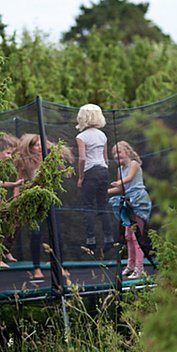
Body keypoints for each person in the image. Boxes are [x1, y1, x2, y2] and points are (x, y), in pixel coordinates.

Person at [13, 133, 73, 281]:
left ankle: (60, 266)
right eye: (36, 145)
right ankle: (37, 268)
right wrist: (15, 200)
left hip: (50, 199)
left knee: (56, 234)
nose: (39, 147)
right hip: (35, 201)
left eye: (41, 144)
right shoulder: (26, 162)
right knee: (35, 234)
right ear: (30, 147)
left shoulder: (49, 158)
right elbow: (19, 182)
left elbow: (60, 169)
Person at [108, 141, 152, 278]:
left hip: (139, 201)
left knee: (136, 235)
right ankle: (130, 265)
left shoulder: (134, 164)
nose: (116, 155)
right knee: (128, 236)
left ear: (127, 151)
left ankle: (139, 268)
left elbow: (129, 178)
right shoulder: (119, 170)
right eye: (114, 154)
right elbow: (120, 188)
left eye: (119, 152)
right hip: (128, 201)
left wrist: (119, 182)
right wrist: (106, 190)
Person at [75, 104, 114, 252]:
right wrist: (104, 171)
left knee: (88, 206)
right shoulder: (102, 135)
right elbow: (106, 158)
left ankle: (90, 240)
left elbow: (82, 158)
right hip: (103, 170)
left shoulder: (81, 137)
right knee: (103, 206)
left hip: (90, 171)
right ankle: (108, 239)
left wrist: (81, 177)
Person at [0, 134, 24, 266]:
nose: (9, 157)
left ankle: (5, 250)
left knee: (14, 219)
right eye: (8, 153)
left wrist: (15, 185)